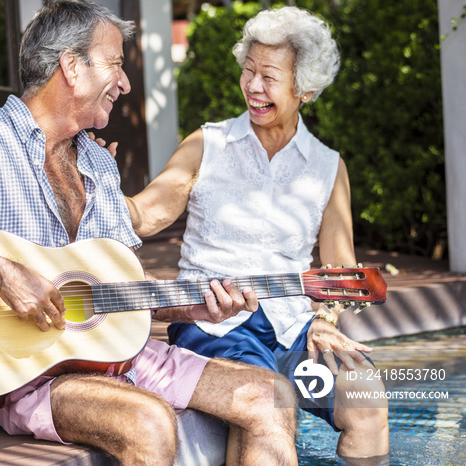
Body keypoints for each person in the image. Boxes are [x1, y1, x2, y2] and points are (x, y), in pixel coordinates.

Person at [0, 1, 298, 464]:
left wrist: (192, 308)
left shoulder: (97, 163)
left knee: (270, 395)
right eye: (115, 64)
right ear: (71, 67)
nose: (126, 83)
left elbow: (123, 291)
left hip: (116, 356)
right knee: (148, 422)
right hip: (21, 372)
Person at [126, 6, 389, 465]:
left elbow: (339, 274)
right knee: (269, 401)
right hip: (214, 323)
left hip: (293, 329)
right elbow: (145, 215)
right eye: (248, 71)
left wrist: (326, 318)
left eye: (268, 76)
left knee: (365, 396)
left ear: (304, 88)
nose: (252, 86)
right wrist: (93, 189)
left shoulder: (329, 168)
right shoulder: (207, 144)